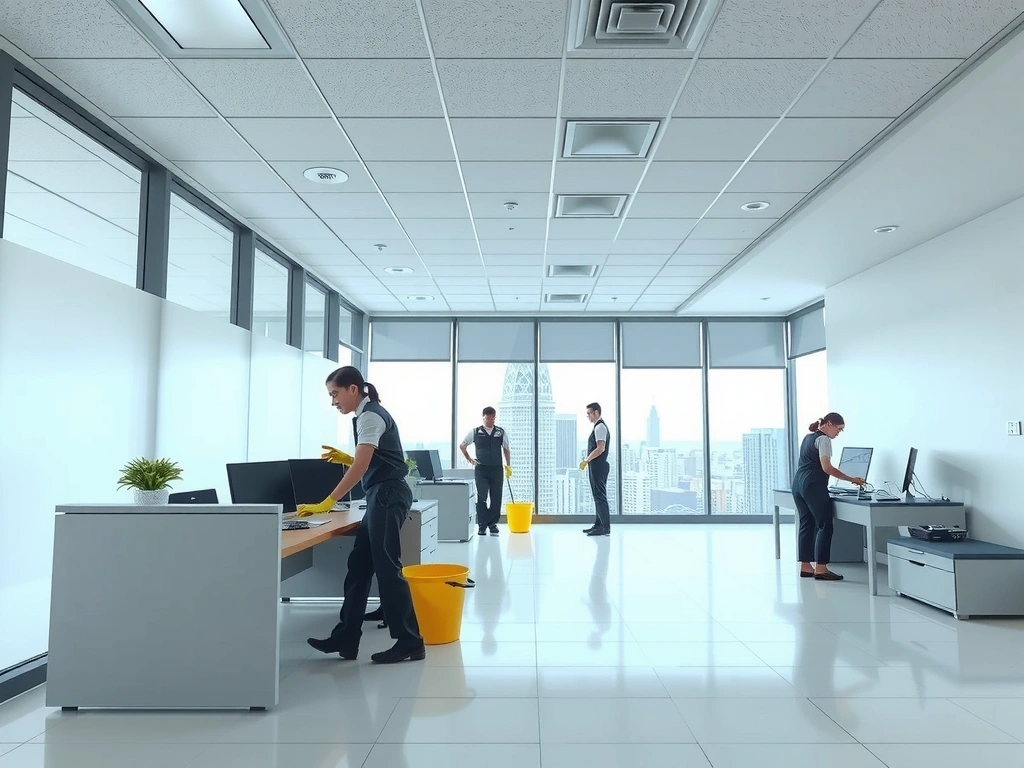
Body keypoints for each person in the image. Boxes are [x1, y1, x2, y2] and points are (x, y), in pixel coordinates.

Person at [301, 366, 425, 664]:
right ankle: (346, 637)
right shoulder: (367, 415)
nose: (333, 402)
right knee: (358, 565)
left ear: (352, 389)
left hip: (386, 493)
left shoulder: (370, 416)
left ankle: (410, 641)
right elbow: (372, 458)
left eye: (335, 394)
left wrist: (328, 501)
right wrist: (351, 457)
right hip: (381, 494)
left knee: (387, 567)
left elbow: (360, 467)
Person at [793, 412, 866, 581]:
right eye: (839, 429)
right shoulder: (824, 440)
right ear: (829, 424)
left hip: (798, 484)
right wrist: (851, 479)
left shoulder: (808, 437)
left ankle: (806, 566)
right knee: (825, 525)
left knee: (807, 523)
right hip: (813, 484)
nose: (838, 434)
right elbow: (827, 468)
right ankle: (821, 568)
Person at [460, 406, 512, 537]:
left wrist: (508, 465)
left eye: (492, 417)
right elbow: (463, 445)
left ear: (495, 417)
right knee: (482, 496)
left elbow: (506, 448)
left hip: (497, 469)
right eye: (488, 417)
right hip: (481, 469)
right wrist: (470, 459)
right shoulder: (476, 432)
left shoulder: (500, 432)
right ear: (483, 417)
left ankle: (492, 524)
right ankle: (482, 525)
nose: (490, 420)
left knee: (496, 497)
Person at [581, 402, 611, 537]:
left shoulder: (600, 427)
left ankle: (604, 527)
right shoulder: (597, 427)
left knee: (600, 496)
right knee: (597, 496)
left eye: (589, 413)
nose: (588, 416)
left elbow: (601, 448)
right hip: (596, 466)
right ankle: (598, 525)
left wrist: (587, 460)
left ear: (596, 413)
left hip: (598, 466)